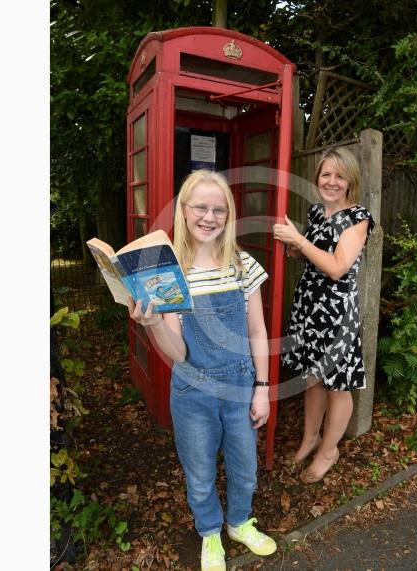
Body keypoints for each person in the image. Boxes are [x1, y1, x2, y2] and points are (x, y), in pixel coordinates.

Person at [129, 170, 276, 571]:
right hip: (192, 390)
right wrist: (154, 322)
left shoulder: (243, 265)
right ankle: (210, 532)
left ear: (228, 215)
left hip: (240, 384)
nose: (209, 217)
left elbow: (258, 330)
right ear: (184, 210)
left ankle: (240, 523)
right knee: (199, 471)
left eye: (219, 209)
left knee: (245, 465)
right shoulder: (168, 272)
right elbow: (178, 351)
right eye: (201, 207)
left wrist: (262, 387)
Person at [272, 147, 374, 484]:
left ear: (350, 181)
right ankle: (309, 439)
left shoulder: (358, 218)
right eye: (325, 174)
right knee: (312, 378)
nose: (331, 181)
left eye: (339, 175)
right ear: (317, 178)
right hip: (310, 306)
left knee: (337, 385)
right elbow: (314, 256)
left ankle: (329, 449)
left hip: (337, 313)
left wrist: (298, 241)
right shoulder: (317, 212)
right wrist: (295, 249)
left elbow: (337, 267)